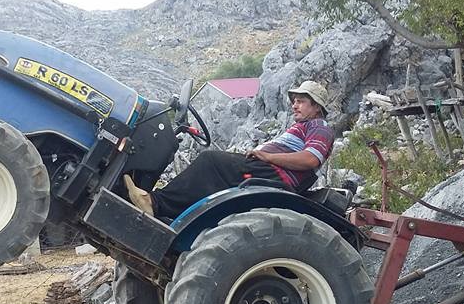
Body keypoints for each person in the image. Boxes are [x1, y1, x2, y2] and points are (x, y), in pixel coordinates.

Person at [124, 80, 335, 219]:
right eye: (294, 101)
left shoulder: (319, 126)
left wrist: (267, 156)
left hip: (273, 176)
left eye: (301, 102)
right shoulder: (301, 126)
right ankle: (167, 214)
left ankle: (154, 203)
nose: (294, 105)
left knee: (211, 162)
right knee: (210, 178)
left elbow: (310, 160)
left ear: (316, 107)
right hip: (266, 170)